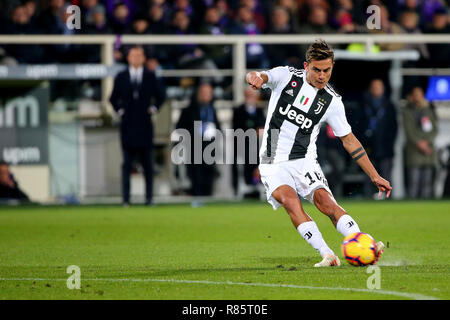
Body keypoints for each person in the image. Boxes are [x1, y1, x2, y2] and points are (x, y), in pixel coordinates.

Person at [245, 39, 391, 267]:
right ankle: (327, 254)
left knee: (327, 204)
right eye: (317, 70)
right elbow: (260, 76)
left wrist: (375, 176)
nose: (322, 76)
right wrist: (254, 77)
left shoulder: (332, 102)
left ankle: (364, 243)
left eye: (327, 70)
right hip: (272, 160)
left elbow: (349, 140)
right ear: (306, 66)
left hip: (304, 161)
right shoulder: (286, 77)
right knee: (291, 202)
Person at [109, 46, 166, 206]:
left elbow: (161, 95)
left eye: (139, 55)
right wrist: (120, 111)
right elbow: (113, 98)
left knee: (148, 164)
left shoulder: (150, 76)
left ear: (143, 58)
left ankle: (149, 198)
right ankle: (126, 199)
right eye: (133, 55)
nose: (136, 58)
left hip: (145, 125)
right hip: (127, 125)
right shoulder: (121, 76)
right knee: (127, 164)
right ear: (128, 58)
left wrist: (153, 109)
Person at [176, 82, 221, 196]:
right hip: (194, 149)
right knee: (196, 179)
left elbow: (218, 128)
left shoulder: (212, 110)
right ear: (198, 94)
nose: (206, 95)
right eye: (203, 93)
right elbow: (180, 128)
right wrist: (196, 130)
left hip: (210, 150)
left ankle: (208, 203)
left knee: (209, 179)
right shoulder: (188, 110)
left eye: (208, 93)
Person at [361, 79, 398, 198]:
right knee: (368, 176)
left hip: (385, 148)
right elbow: (359, 126)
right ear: (370, 89)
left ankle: (387, 199)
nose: (377, 89)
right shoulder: (364, 105)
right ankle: (367, 198)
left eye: (379, 87)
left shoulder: (389, 105)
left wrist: (389, 144)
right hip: (368, 148)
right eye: (374, 87)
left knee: (386, 175)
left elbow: (394, 128)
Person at [402, 86, 438, 199]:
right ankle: (411, 207)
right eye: (415, 94)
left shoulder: (429, 110)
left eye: (420, 94)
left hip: (428, 151)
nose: (417, 97)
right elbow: (409, 130)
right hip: (414, 151)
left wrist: (427, 143)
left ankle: (426, 206)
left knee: (427, 182)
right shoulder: (407, 110)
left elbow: (434, 129)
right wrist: (419, 143)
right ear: (412, 96)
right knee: (414, 181)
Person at [232, 87, 266, 197]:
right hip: (243, 146)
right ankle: (249, 184)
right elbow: (236, 130)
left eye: (252, 95)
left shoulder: (260, 111)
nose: (250, 98)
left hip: (258, 147)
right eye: (248, 95)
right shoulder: (238, 111)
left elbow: (264, 127)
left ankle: (257, 182)